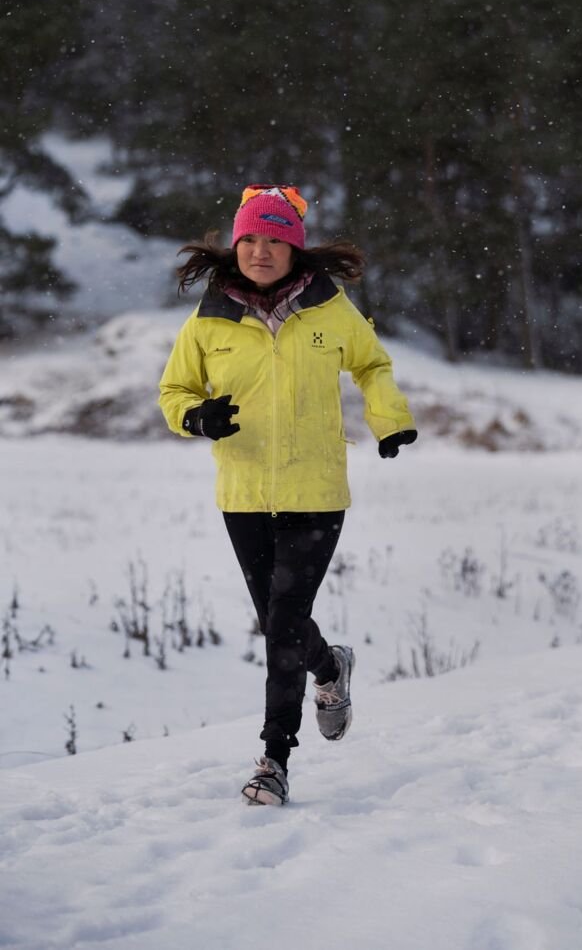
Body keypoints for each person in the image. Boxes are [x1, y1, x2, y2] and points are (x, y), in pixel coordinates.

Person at [158, 184, 417, 806]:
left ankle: (274, 759)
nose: (260, 251)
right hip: (243, 492)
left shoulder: (332, 311)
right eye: (249, 239)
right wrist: (198, 419)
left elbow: (373, 365)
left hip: (316, 489)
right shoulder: (210, 317)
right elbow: (174, 393)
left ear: (295, 249)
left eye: (275, 240)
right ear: (235, 245)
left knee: (282, 623)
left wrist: (389, 418)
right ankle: (328, 668)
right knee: (279, 620)